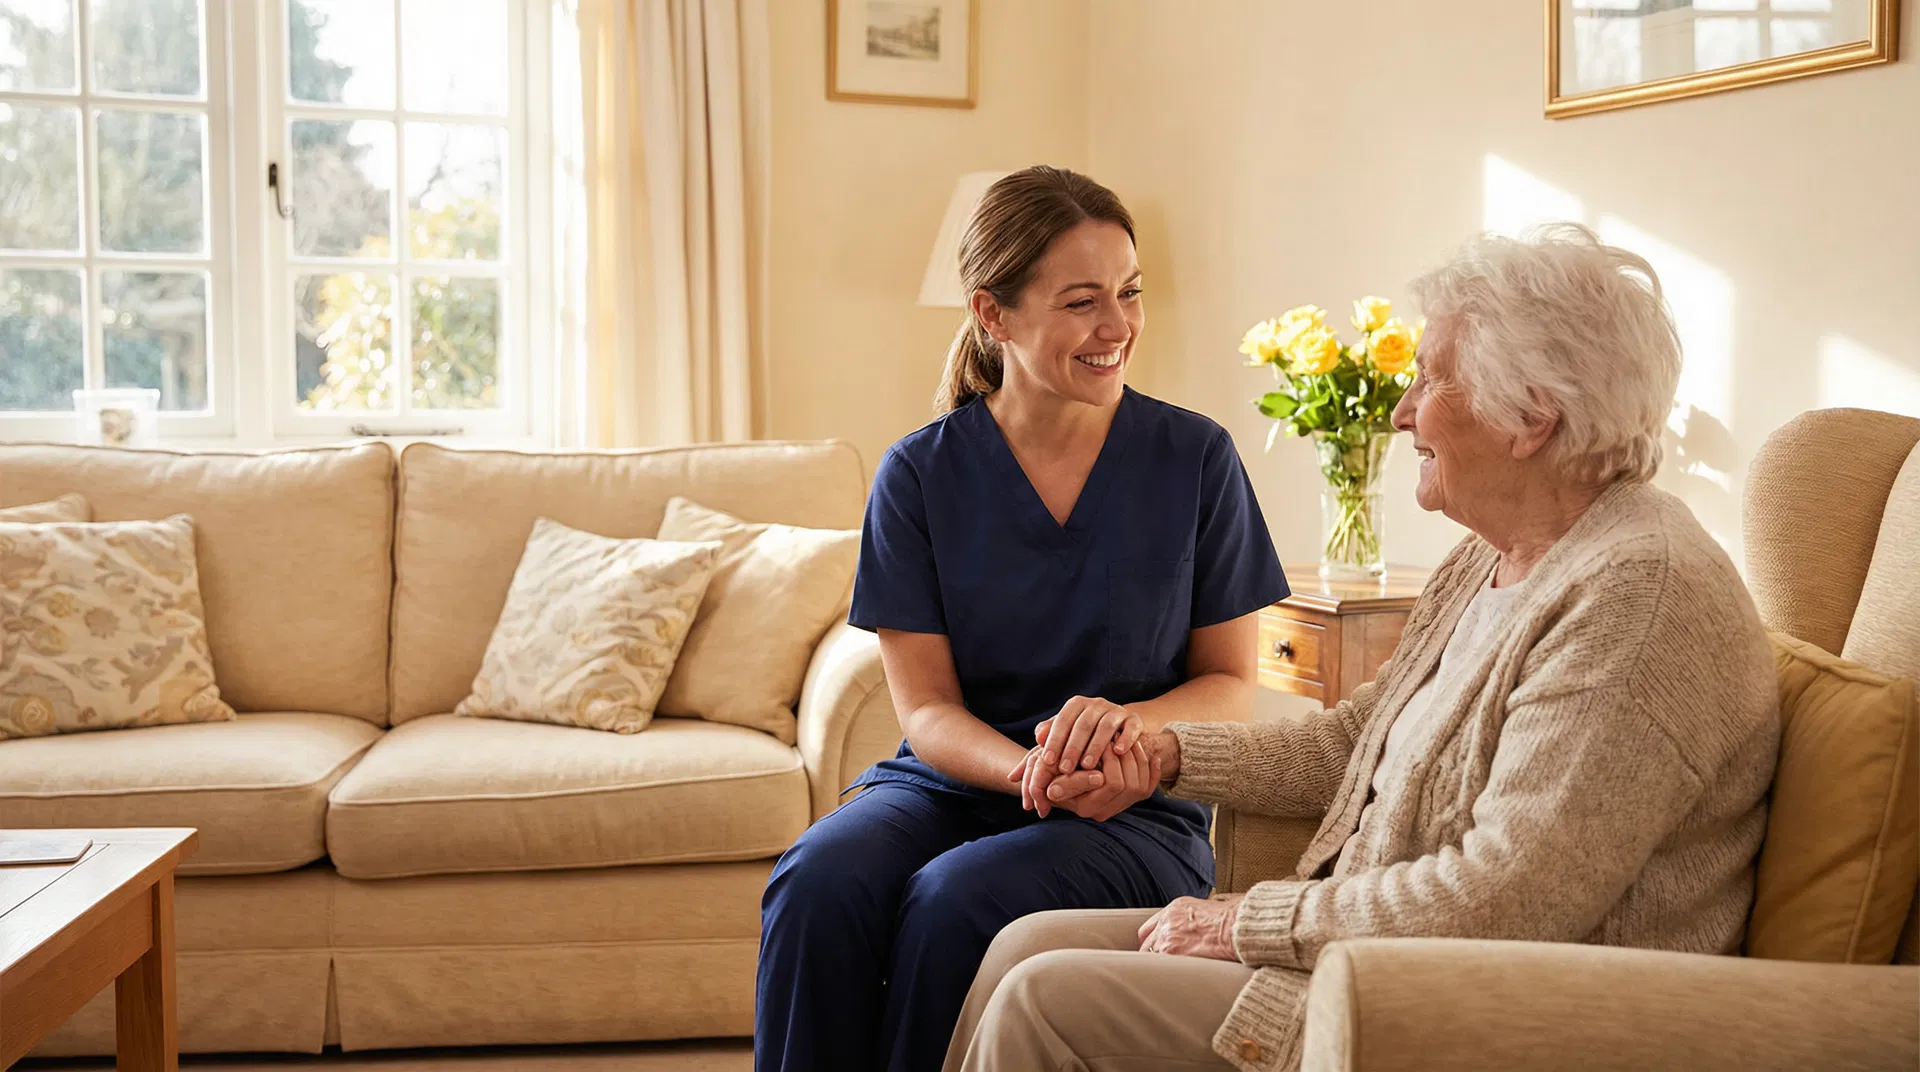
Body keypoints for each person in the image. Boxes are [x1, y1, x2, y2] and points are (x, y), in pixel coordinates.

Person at [946, 223, 1782, 1072]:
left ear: (1532, 417)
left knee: (1043, 998)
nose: (1402, 411)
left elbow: (1506, 896)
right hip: (1363, 956)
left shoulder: (1634, 598)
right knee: (1021, 946)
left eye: (1431, 379)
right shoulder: (1492, 558)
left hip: (1477, 1010)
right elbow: (1355, 744)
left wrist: (1248, 921)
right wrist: (1163, 754)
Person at [754, 166, 1290, 1072]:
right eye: (1082, 301)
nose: (1117, 326)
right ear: (992, 315)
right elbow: (926, 710)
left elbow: (1233, 684)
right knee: (817, 880)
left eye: (1128, 293)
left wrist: (1124, 739)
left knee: (956, 900)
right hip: (954, 783)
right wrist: (1031, 771)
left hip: (1132, 808)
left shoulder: (1195, 458)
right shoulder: (918, 475)